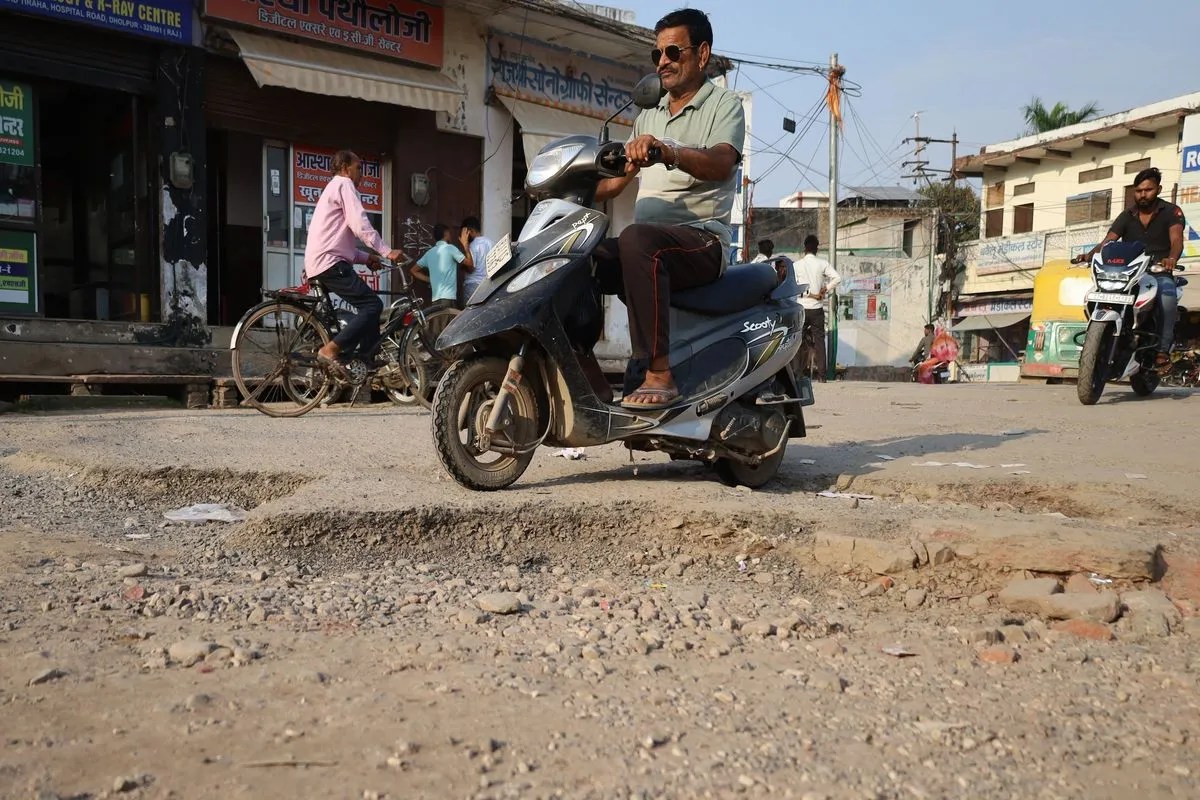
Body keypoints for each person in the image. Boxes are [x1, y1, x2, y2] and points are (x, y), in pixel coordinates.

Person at [593, 7, 746, 409]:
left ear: (702, 53)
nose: (662, 62)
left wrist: (668, 150)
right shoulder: (649, 114)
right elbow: (613, 183)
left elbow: (719, 163)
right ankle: (582, 367)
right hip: (649, 246)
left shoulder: (723, 106)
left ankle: (659, 372)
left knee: (637, 240)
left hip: (701, 242)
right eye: (657, 54)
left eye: (673, 51)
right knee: (581, 256)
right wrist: (562, 187)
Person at [1077, 166, 1185, 372]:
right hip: (1127, 272)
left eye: (1148, 190)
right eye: (1138, 190)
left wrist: (1171, 258)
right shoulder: (1127, 214)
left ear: (1158, 189)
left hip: (1156, 271)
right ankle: (1096, 340)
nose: (1143, 195)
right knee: (1096, 293)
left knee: (1168, 296)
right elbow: (1108, 241)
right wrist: (1089, 255)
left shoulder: (1171, 212)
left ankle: (1162, 351)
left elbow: (1177, 239)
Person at [304, 150, 403, 371]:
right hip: (329, 263)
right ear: (345, 167)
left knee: (368, 305)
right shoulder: (344, 185)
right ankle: (331, 350)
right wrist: (386, 251)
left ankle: (364, 359)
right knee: (372, 305)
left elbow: (342, 244)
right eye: (359, 168)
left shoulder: (333, 188)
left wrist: (368, 258)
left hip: (325, 261)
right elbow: (360, 225)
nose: (362, 175)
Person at [794, 234, 841, 382]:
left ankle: (797, 374)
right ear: (816, 248)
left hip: (801, 307)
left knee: (797, 342)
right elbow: (837, 278)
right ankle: (822, 376)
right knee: (820, 342)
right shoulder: (822, 263)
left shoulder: (796, 265)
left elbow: (793, 286)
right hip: (816, 309)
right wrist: (825, 289)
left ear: (804, 248)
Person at [412, 223, 474, 308]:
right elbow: (470, 264)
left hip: (435, 300)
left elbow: (413, 270)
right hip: (448, 298)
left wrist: (430, 280)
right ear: (446, 234)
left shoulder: (429, 253)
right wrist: (466, 246)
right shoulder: (450, 248)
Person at [460, 216, 494, 304]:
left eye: (464, 232)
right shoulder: (491, 243)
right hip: (487, 286)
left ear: (470, 231)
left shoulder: (472, 246)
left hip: (472, 286)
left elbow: (471, 269)